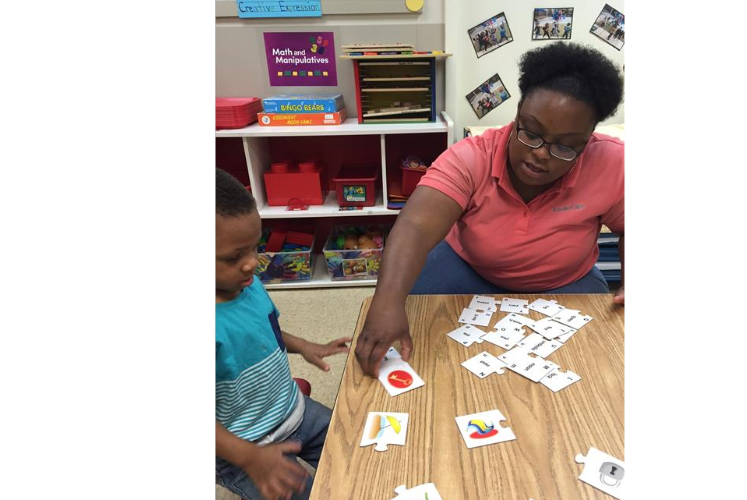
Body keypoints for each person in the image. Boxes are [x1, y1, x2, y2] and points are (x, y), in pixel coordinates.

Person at [355, 43, 625, 377]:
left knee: (588, 366)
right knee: (432, 358)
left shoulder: (612, 161)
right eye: (531, 132)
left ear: (587, 141)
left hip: (566, 279)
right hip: (469, 267)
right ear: (516, 116)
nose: (541, 154)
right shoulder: (471, 156)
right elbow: (415, 226)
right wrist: (387, 302)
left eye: (565, 146)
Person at [215, 167, 352, 499]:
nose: (252, 264)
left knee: (355, 445)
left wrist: (304, 345)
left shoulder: (249, 285)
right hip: (243, 451)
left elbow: (267, 330)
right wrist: (251, 458)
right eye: (234, 257)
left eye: (254, 248)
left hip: (293, 410)